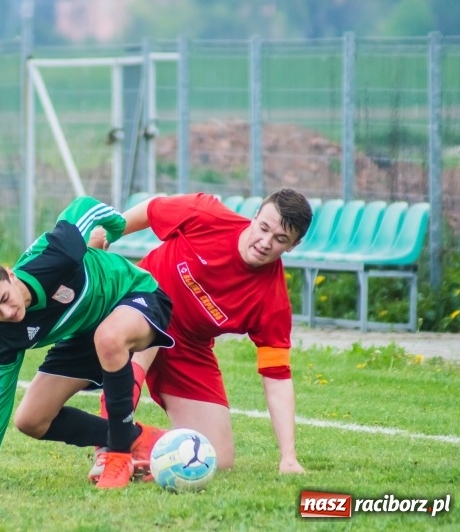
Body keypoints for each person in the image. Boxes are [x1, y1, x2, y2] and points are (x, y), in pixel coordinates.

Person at [0, 196, 174, 491]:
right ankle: (140, 437)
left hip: (136, 295)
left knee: (109, 337)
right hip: (85, 332)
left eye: (5, 299)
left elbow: (84, 206)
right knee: (31, 420)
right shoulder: (2, 333)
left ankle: (119, 455)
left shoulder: (55, 255)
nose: (7, 313)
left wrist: (116, 227)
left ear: (10, 274)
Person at [90, 188, 313, 476]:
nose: (265, 242)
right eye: (264, 228)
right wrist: (110, 234)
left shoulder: (273, 301)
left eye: (280, 239)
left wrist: (289, 457)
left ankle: (142, 445)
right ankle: (109, 452)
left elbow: (277, 377)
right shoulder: (206, 214)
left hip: (190, 347)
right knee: (152, 325)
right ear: (255, 216)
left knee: (216, 458)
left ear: (293, 246)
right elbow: (152, 209)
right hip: (144, 302)